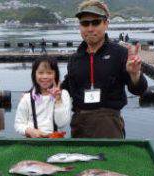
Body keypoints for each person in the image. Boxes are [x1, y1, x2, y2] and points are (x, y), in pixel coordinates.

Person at [61, 0, 147, 139]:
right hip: (79, 123)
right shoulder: (75, 58)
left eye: (95, 22)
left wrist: (134, 73)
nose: (90, 28)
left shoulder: (120, 53)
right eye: (85, 23)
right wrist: (35, 93)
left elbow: (139, 90)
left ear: (106, 23)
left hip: (109, 124)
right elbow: (66, 88)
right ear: (80, 26)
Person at [15, 56, 72, 138]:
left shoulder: (64, 94)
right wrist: (29, 131)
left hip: (55, 139)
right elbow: (18, 124)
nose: (45, 77)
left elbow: (62, 124)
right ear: (34, 75)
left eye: (49, 73)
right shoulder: (27, 97)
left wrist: (58, 101)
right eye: (41, 73)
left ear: (55, 75)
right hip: (33, 140)